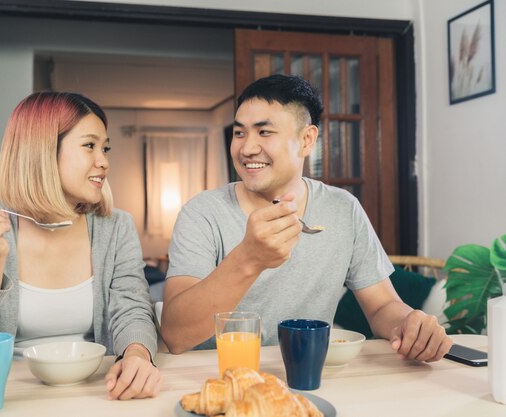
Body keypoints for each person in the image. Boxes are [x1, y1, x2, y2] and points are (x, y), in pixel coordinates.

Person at [161, 74, 452, 362]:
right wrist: (249, 258)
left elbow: (382, 306)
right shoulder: (203, 212)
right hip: (216, 378)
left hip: (306, 373)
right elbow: (175, 334)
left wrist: (411, 324)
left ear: (307, 139)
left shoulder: (342, 208)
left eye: (264, 132)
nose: (247, 148)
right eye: (239, 133)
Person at [0, 92, 161, 400]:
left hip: (99, 391)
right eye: (89, 146)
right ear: (42, 152)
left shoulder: (116, 227)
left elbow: (132, 308)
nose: (104, 162)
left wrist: (137, 354)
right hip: (11, 395)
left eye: (105, 148)